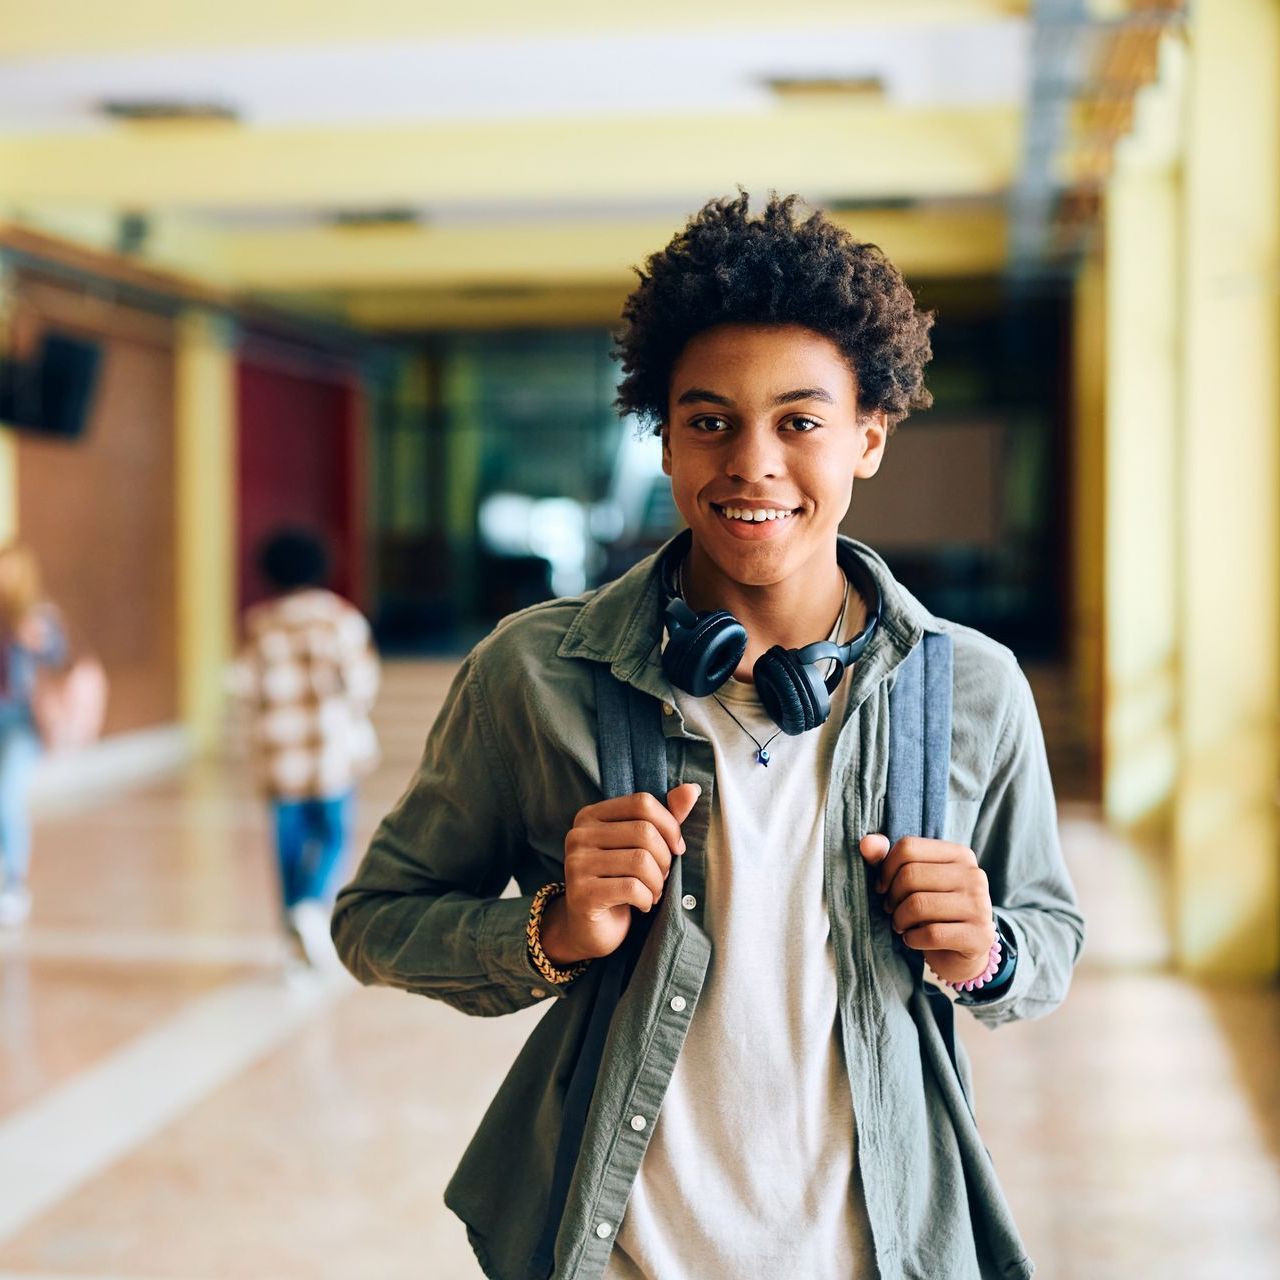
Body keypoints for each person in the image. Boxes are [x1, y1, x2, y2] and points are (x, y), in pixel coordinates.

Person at [332, 193, 1085, 1280]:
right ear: (665, 436)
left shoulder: (967, 685)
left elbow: (1046, 933)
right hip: (617, 1248)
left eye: (800, 420)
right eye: (709, 420)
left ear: (868, 436)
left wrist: (985, 950)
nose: (752, 462)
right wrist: (549, 928)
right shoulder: (534, 673)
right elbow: (375, 920)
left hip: (880, 1247)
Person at [234, 528, 379, 970]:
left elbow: (244, 684)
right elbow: (360, 683)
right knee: (334, 833)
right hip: (328, 747)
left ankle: (291, 928)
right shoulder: (340, 618)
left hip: (279, 749)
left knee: (287, 841)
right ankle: (311, 903)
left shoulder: (261, 622)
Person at [0, 544, 65, 927]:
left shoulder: (38, 616)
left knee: (7, 794)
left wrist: (36, 642)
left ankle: (14, 881)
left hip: (23, 717)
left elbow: (61, 660)